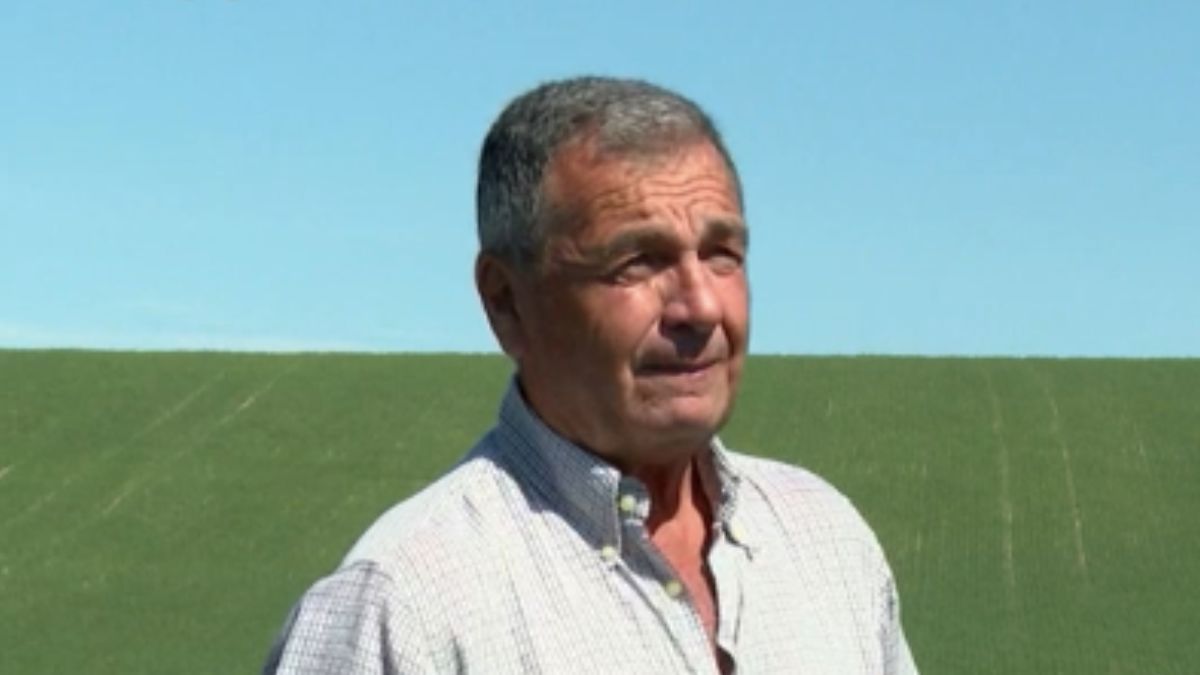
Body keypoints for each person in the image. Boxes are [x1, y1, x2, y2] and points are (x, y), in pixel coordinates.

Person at [263, 76, 917, 674]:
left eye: (722, 253)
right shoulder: (405, 605)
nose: (701, 306)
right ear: (506, 301)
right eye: (636, 261)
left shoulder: (826, 541)